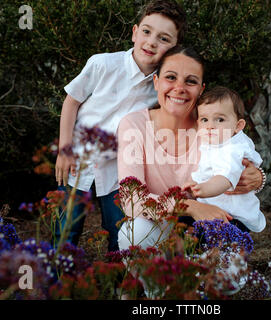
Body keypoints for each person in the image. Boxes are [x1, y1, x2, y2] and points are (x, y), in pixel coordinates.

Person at [53, 0, 187, 251]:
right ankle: (59, 284)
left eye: (163, 38)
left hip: (119, 172)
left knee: (121, 234)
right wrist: (64, 147)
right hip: (77, 160)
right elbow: (71, 102)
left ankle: (119, 286)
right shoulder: (103, 64)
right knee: (65, 230)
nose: (151, 42)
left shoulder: (162, 87)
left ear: (173, 47)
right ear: (135, 32)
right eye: (146, 32)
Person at [116, 46, 266, 250]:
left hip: (205, 225)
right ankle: (155, 283)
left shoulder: (212, 127)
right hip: (160, 221)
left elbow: (239, 157)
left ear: (201, 89)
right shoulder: (134, 125)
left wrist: (258, 177)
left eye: (191, 81)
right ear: (156, 82)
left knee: (220, 268)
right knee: (133, 234)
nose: (179, 88)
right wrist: (190, 207)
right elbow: (132, 201)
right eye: (170, 77)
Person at [183, 86, 266, 233]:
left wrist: (201, 189)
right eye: (204, 120)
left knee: (216, 240)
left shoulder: (233, 149)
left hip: (234, 216)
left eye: (220, 119)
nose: (210, 126)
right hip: (209, 209)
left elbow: (224, 178)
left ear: (238, 126)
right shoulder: (209, 141)